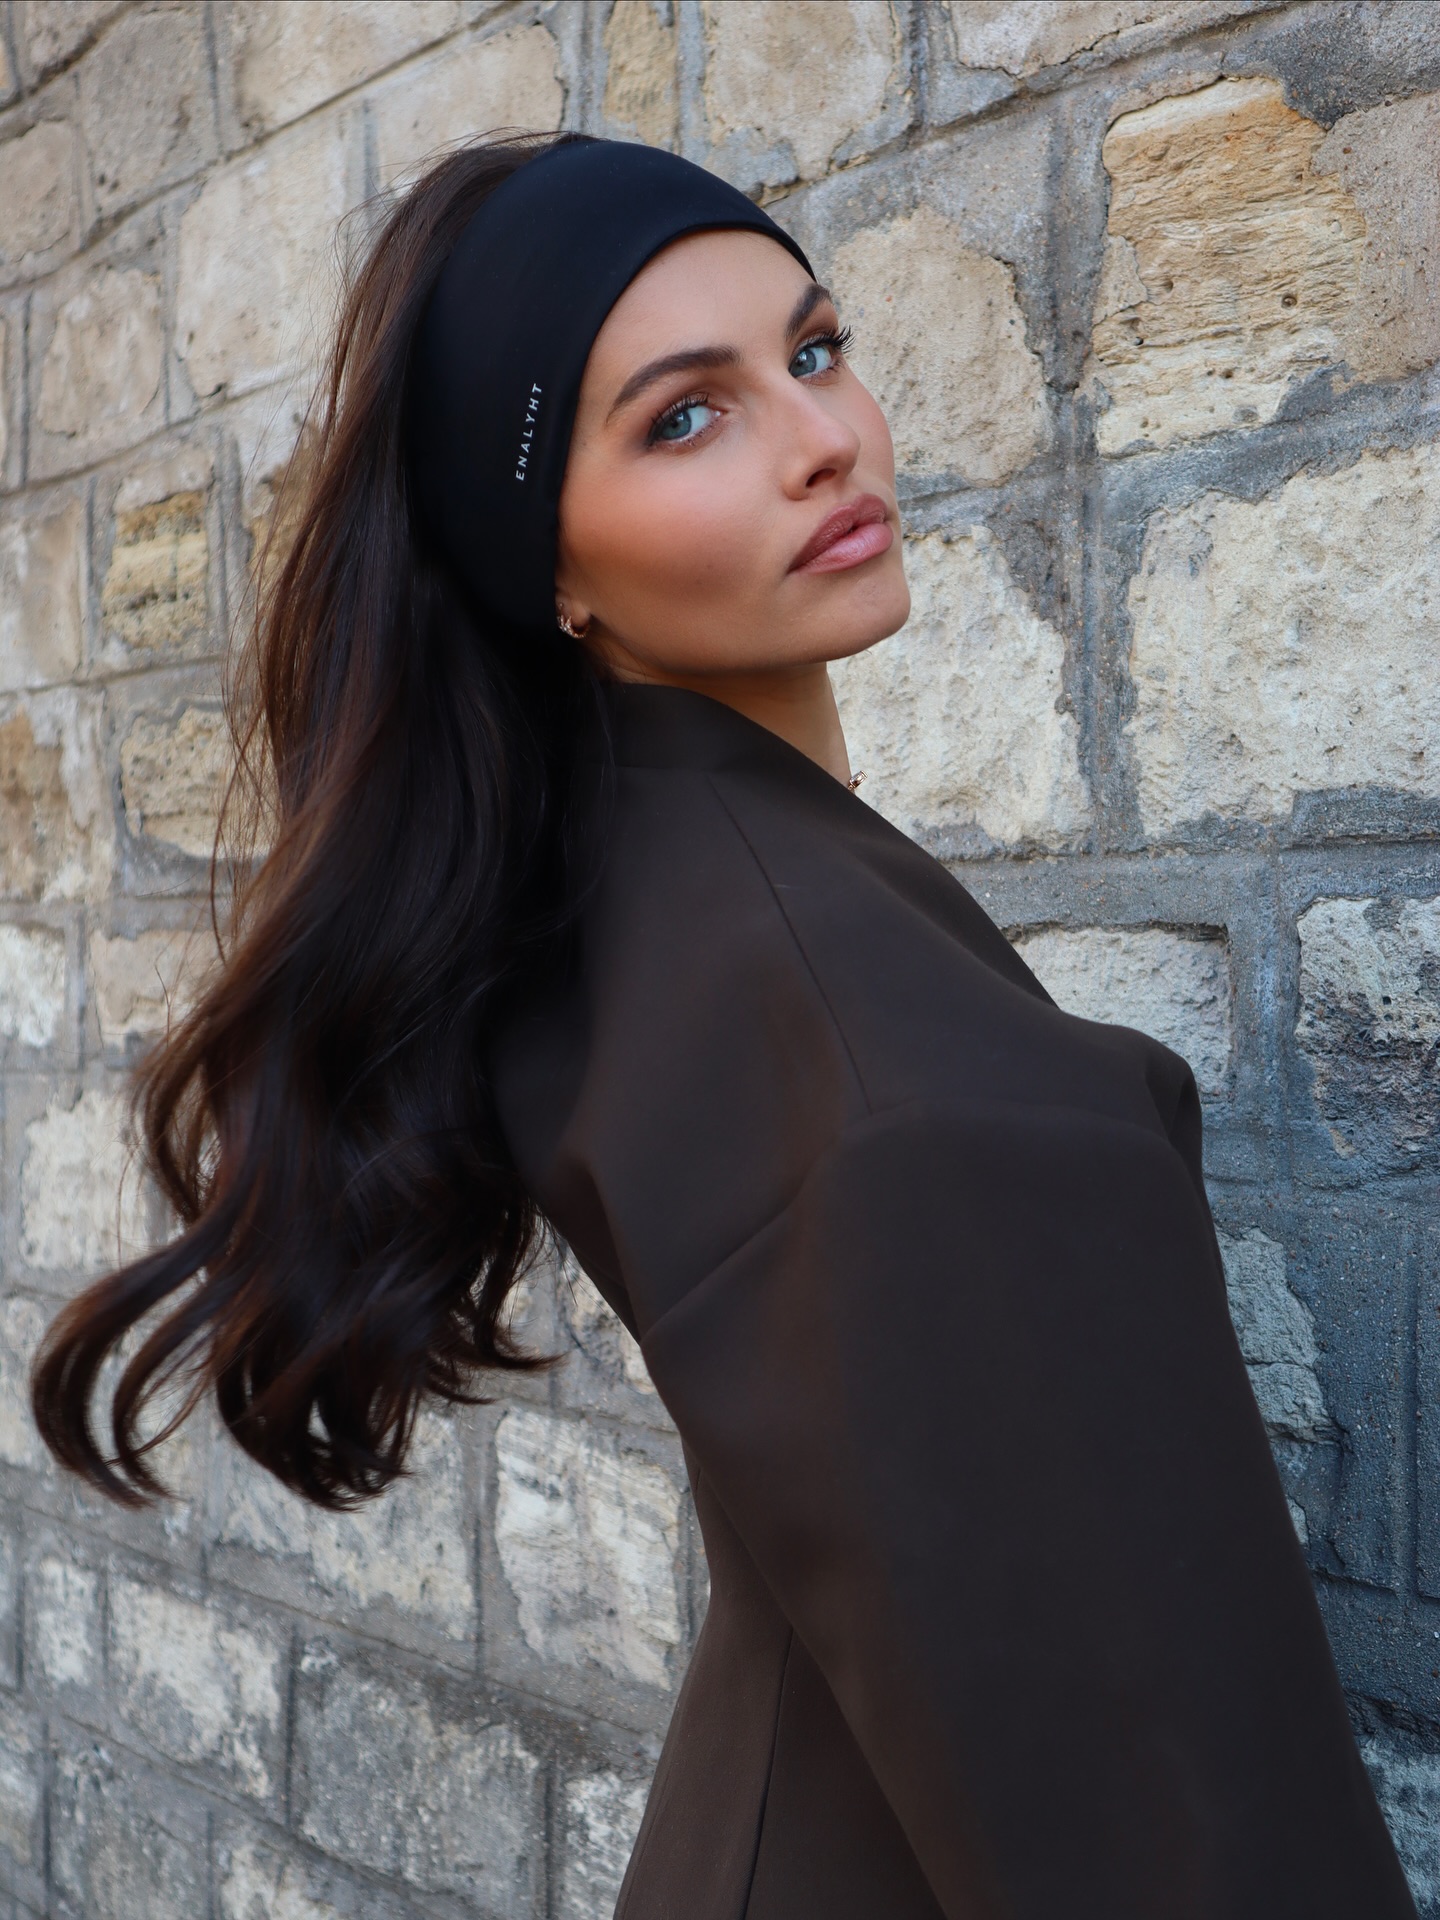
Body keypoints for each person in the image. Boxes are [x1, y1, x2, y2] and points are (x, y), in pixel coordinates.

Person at [33, 133, 1415, 1920]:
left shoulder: (654, 894)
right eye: (684, 417)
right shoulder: (864, 1060)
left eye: (815, 349)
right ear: (550, 570)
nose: (824, 437)